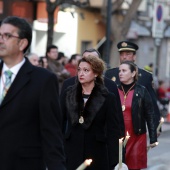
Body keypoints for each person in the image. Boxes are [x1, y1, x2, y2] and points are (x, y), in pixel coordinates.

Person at [0, 16, 66, 170]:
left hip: (23, 164)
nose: (1, 40)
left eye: (7, 36)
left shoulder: (43, 80)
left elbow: (51, 133)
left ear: (22, 43)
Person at [60, 54, 121, 170]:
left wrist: (116, 161)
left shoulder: (107, 97)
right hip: (71, 152)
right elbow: (58, 121)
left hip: (96, 153)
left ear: (96, 73)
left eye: (86, 70)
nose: (81, 73)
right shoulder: (68, 93)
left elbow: (113, 131)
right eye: (79, 70)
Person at [61, 48, 125, 137]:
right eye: (85, 59)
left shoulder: (110, 85)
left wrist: (120, 144)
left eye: (92, 60)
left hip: (100, 141)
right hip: (73, 141)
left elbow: (117, 118)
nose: (87, 62)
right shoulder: (68, 85)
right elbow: (60, 117)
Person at [105, 40, 160, 132]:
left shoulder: (145, 76)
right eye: (122, 54)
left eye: (128, 54)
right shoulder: (110, 74)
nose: (124, 57)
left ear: (134, 56)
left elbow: (152, 103)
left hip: (136, 125)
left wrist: (156, 126)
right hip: (114, 123)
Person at [118, 61, 158, 170]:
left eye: (124, 71)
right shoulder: (114, 90)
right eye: (119, 71)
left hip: (137, 135)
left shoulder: (142, 90)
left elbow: (150, 114)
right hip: (118, 135)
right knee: (118, 165)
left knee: (134, 166)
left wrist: (153, 137)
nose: (120, 73)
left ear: (133, 73)